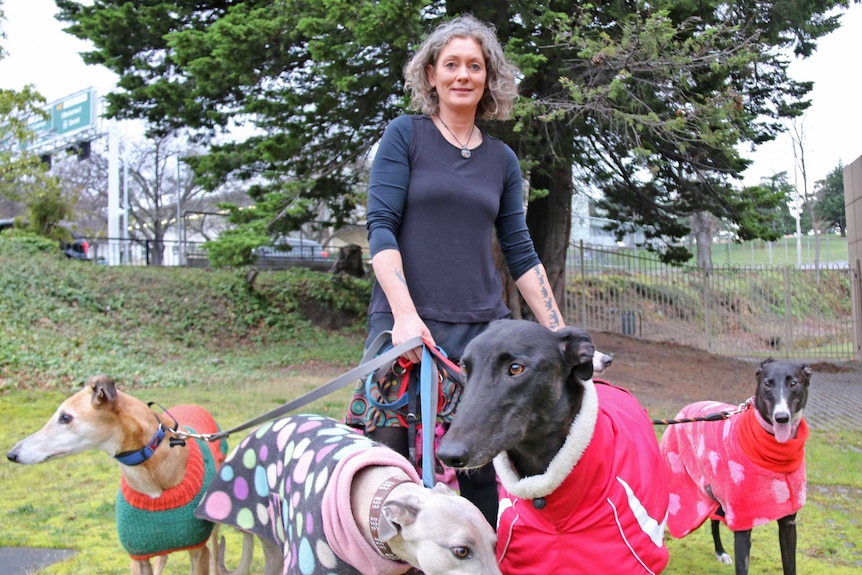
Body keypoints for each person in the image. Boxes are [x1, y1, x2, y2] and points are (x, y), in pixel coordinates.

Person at [345, 14, 564, 528]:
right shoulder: (406, 136)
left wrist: (558, 334)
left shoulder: (502, 160)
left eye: (475, 66)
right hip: (402, 326)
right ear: (430, 75)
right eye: (451, 65)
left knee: (479, 472)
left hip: (481, 338)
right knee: (387, 471)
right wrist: (404, 316)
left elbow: (521, 250)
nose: (463, 75)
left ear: (488, 78)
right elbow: (381, 229)